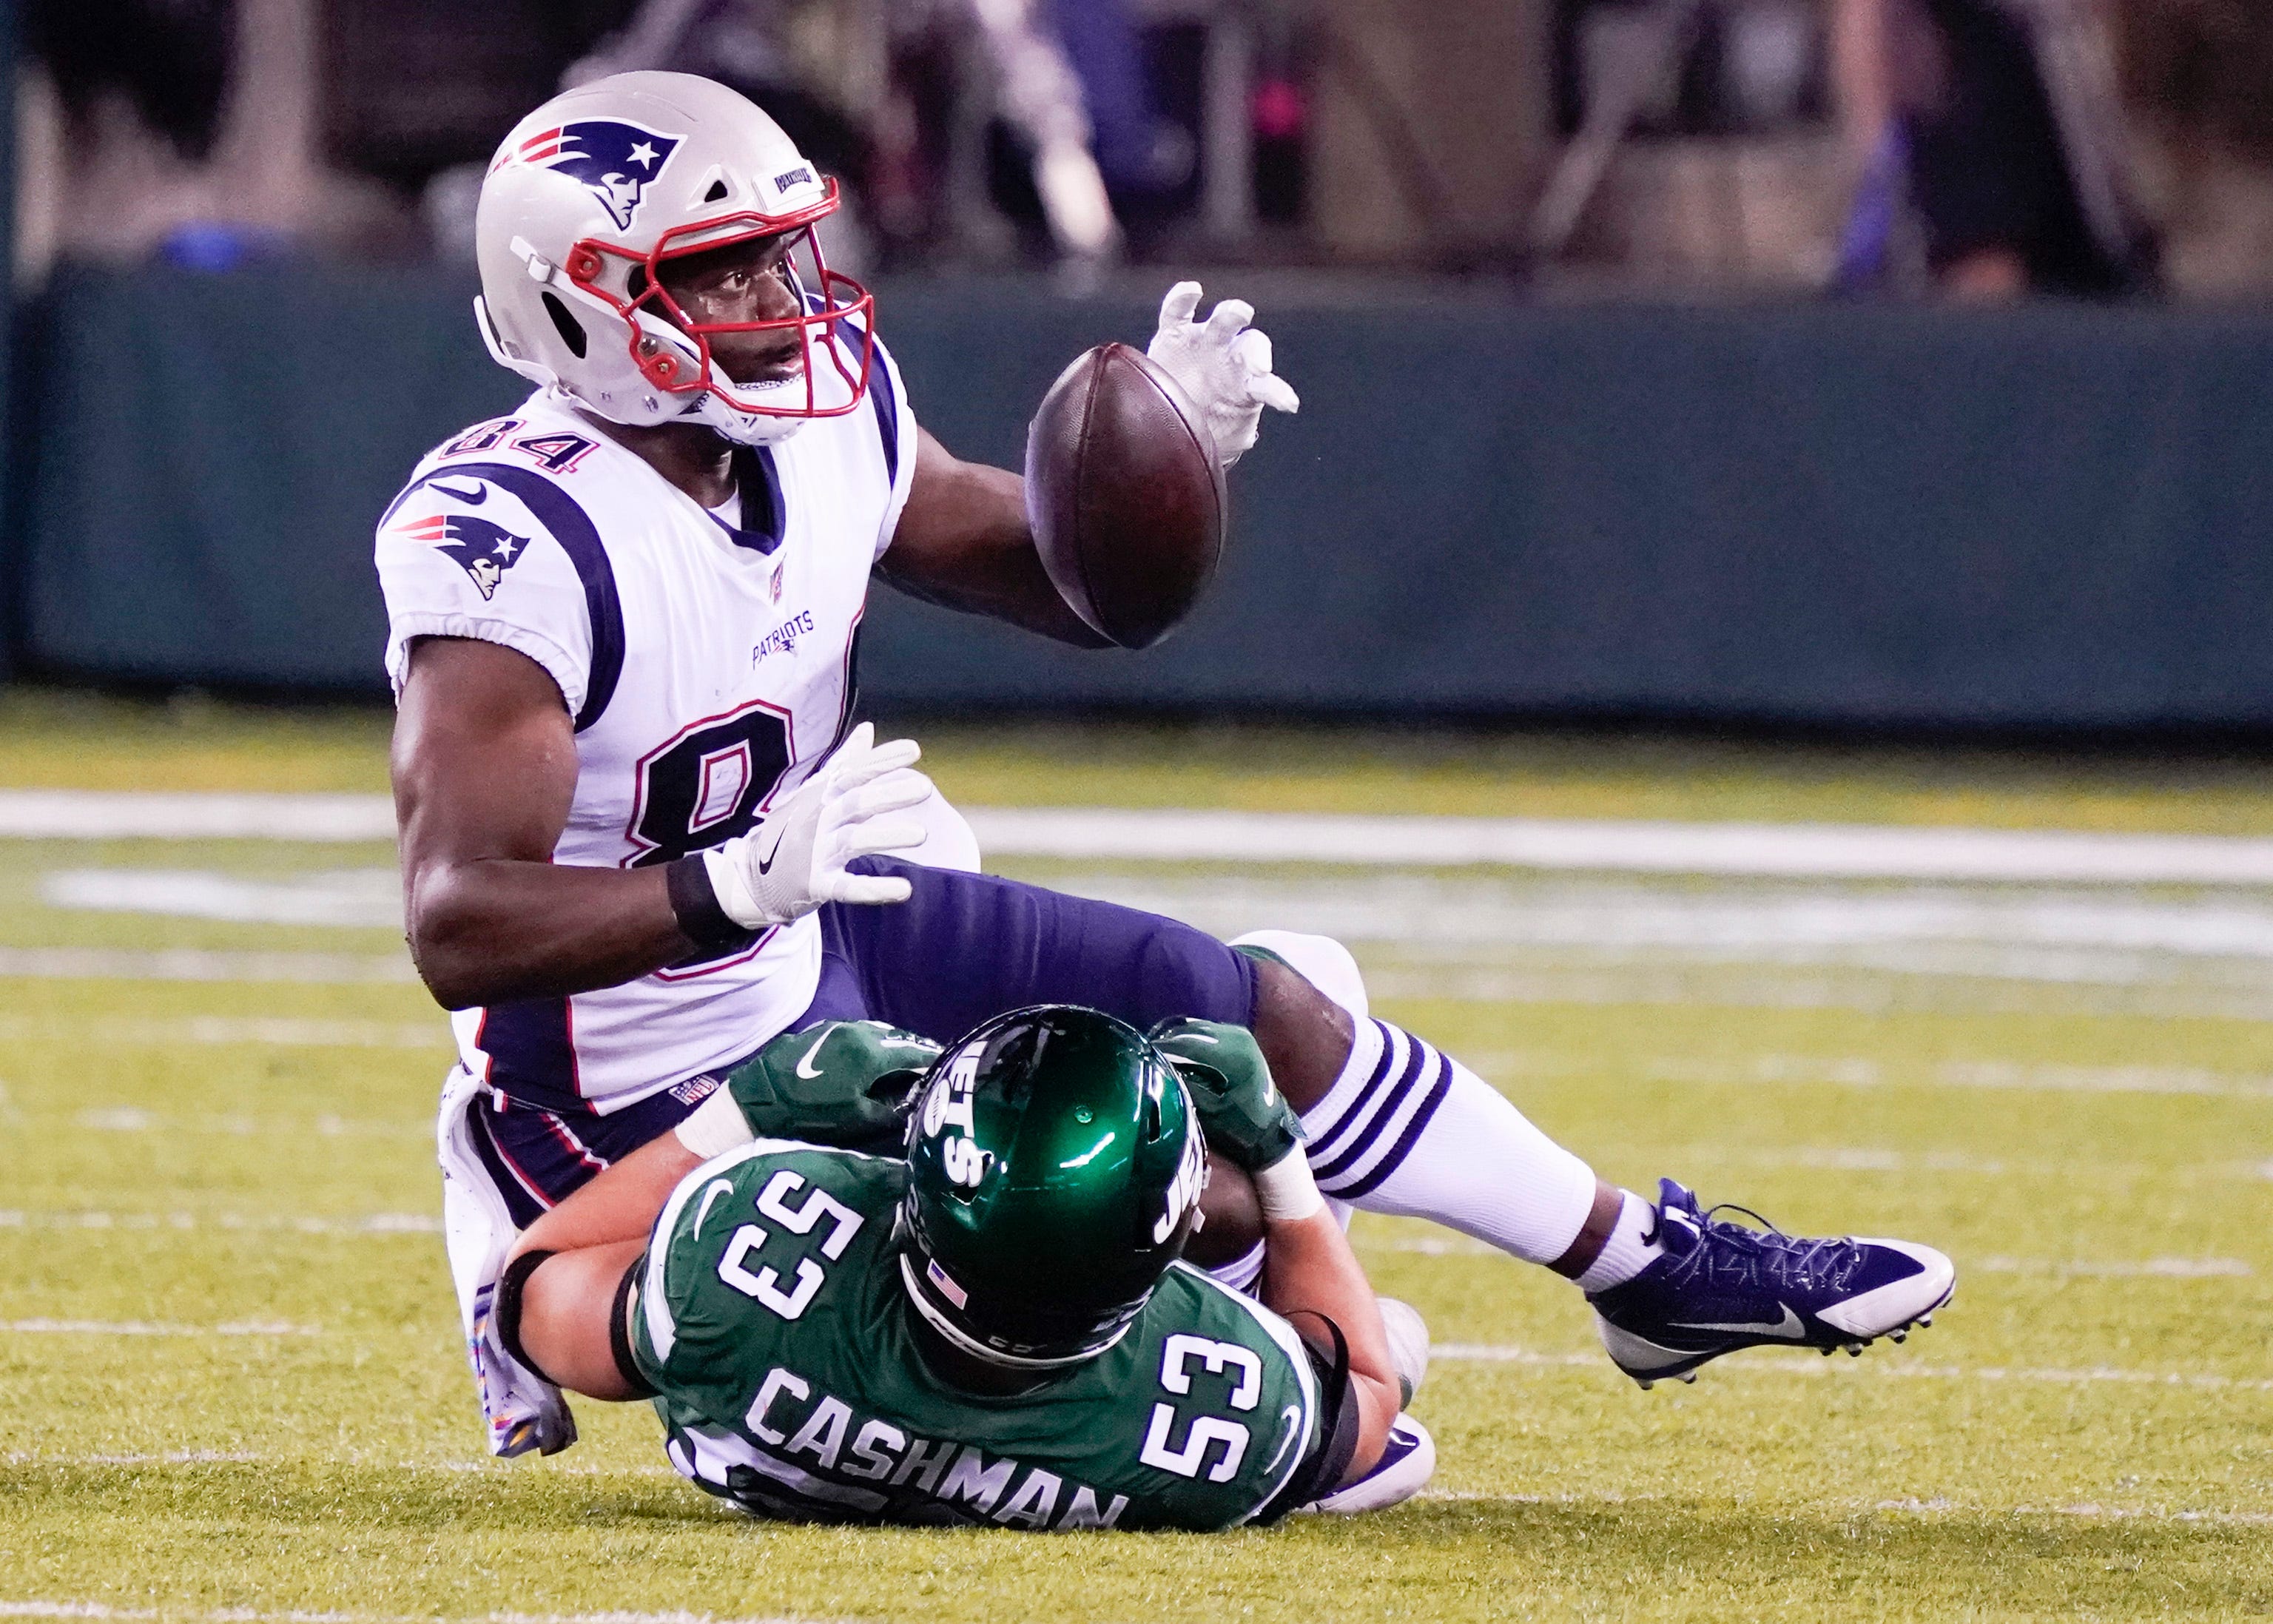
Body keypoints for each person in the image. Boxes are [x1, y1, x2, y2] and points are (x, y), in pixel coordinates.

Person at [377, 69, 1954, 1459]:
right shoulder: (519, 539)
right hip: (626, 1080)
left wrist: (1163, 476)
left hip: (813, 925)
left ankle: (1641, 1265)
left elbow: (1075, 590)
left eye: (789, 252)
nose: (785, 300)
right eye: (724, 274)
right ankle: (527, 1261)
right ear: (583, 303)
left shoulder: (827, 418)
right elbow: (459, 921)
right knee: (1118, 1205)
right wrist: (722, 883)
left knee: (1250, 1005)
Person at [496, 1005, 1434, 1528]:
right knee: (1388, 1340)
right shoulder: (1230, 1399)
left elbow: (534, 1284)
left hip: (793, 1360)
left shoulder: (745, 1263)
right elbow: (1366, 1388)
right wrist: (1277, 1161)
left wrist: (740, 1112)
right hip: (1128, 1411)